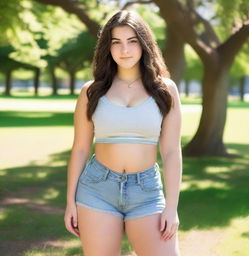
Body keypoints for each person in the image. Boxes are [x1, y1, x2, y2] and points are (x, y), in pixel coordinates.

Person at [64, 9, 182, 256]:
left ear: (144, 44)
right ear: (107, 46)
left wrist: (172, 207)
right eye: (116, 42)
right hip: (96, 190)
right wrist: (70, 203)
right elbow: (81, 149)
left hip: (147, 193)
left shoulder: (165, 89)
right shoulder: (91, 91)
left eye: (132, 41)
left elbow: (171, 151)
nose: (124, 50)